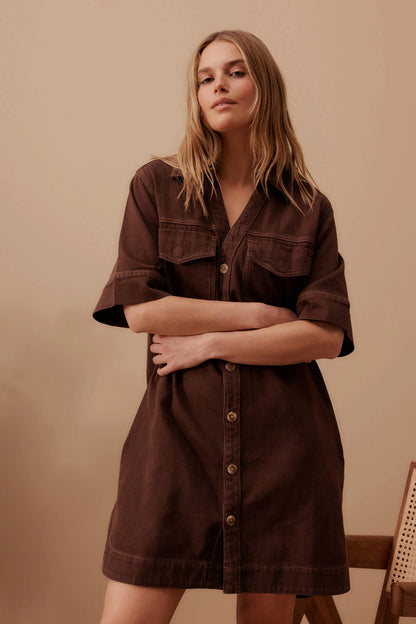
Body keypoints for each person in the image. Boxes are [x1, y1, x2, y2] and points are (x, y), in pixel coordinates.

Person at [93, 29, 354, 624]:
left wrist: (210, 342)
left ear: (265, 87)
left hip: (284, 452)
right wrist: (259, 316)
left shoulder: (308, 207)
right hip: (175, 443)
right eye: (205, 78)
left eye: (235, 72)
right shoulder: (156, 187)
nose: (218, 86)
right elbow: (141, 310)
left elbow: (325, 336)